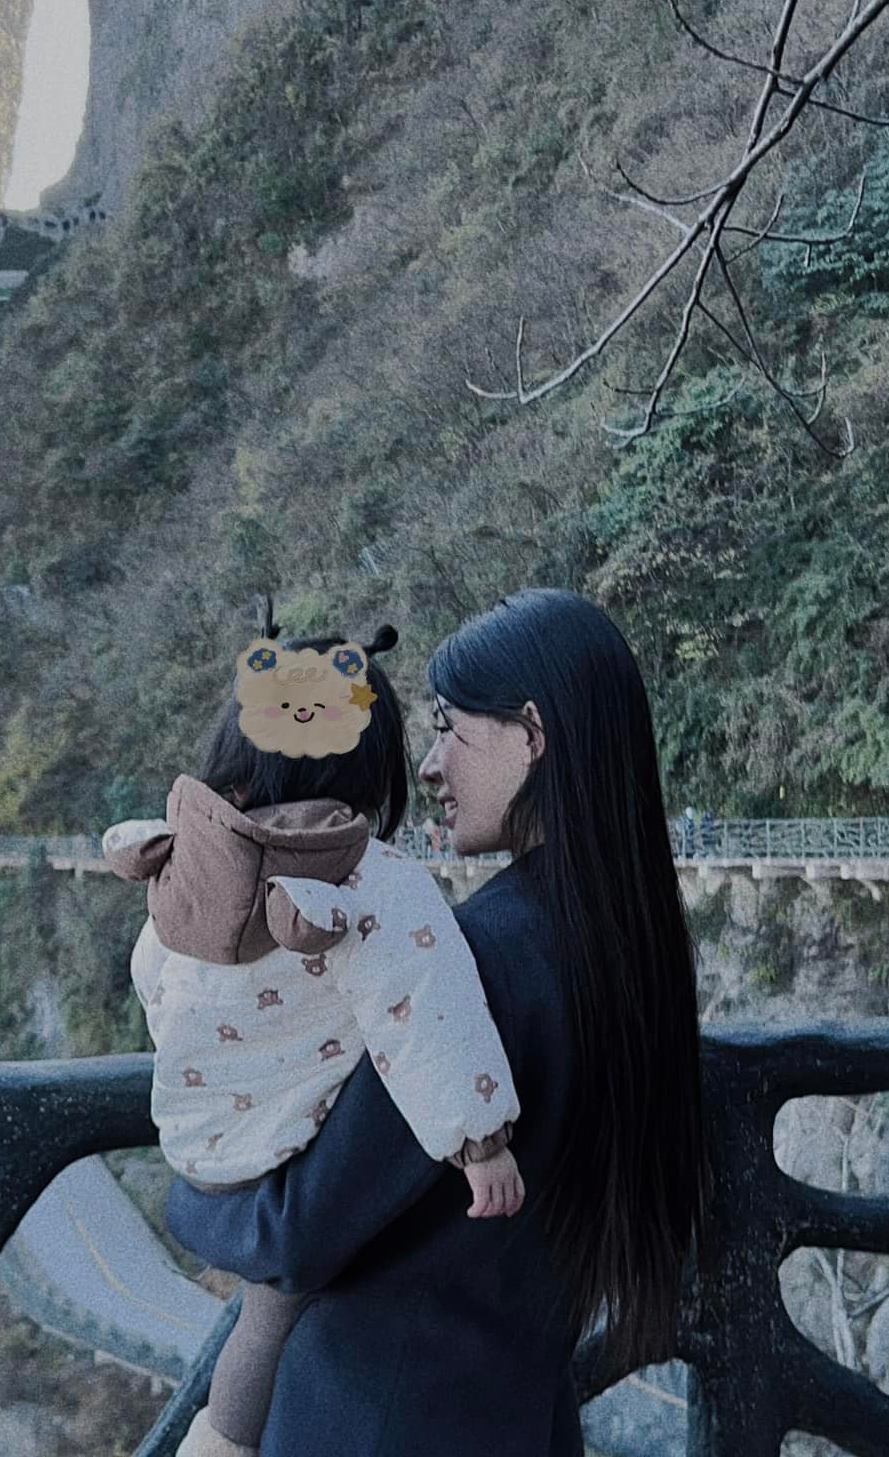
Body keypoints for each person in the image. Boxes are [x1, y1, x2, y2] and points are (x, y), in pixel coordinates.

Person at [166, 589, 709, 1456]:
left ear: (531, 735)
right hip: (516, 1413)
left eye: (450, 728)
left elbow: (296, 1235)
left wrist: (188, 1194)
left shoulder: (475, 968)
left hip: (379, 1419)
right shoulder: (626, 948)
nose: (429, 766)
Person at [103, 619, 525, 1457]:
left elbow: (154, 977)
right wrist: (481, 1144)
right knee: (276, 1315)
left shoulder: (189, 865)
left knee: (264, 1316)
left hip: (199, 1149)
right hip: (287, 1165)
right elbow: (428, 1012)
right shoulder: (374, 880)